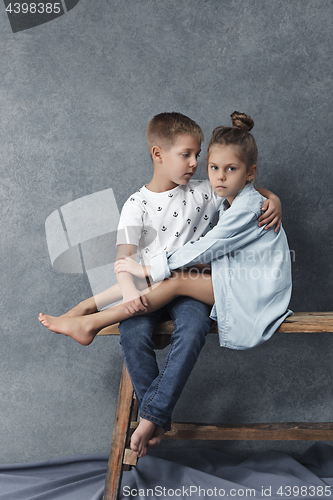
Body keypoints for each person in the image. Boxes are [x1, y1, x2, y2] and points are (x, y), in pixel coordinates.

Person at [39, 111, 285, 458]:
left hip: (190, 286)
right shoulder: (135, 205)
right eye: (187, 155)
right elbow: (124, 260)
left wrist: (274, 200)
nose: (196, 164)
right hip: (145, 290)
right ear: (158, 154)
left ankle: (149, 415)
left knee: (194, 326)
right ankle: (154, 417)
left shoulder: (204, 192)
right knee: (133, 332)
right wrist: (128, 296)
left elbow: (246, 191)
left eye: (198, 155)